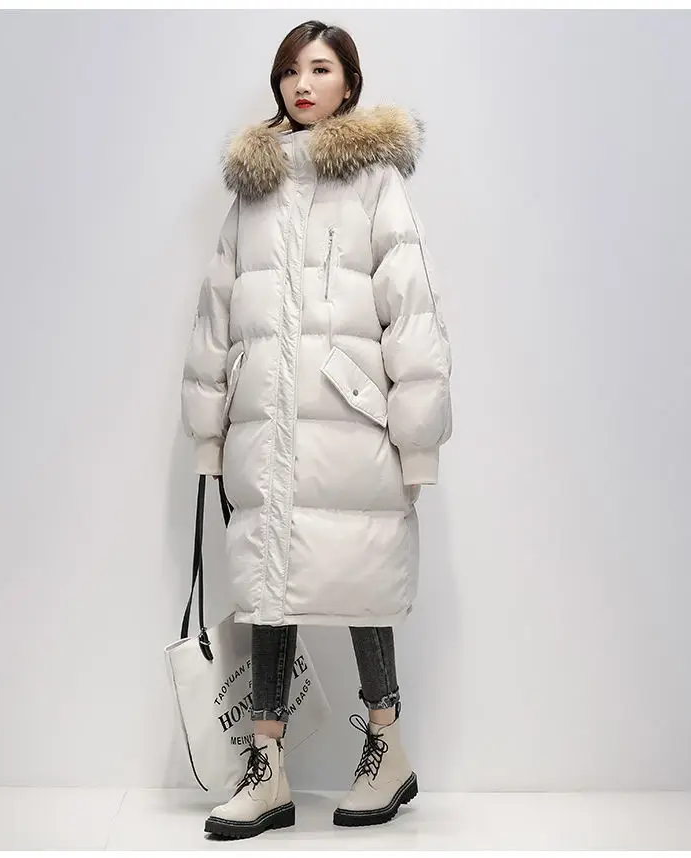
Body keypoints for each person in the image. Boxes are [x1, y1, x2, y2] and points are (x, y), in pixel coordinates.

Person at [180, 19, 453, 840]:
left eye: (321, 68)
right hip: (264, 429)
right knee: (269, 587)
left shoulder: (374, 181)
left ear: (350, 84)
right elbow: (217, 314)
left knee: (360, 573)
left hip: (352, 426)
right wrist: (208, 432)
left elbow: (412, 308)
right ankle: (266, 765)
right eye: (291, 71)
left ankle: (387, 745)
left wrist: (419, 441)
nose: (302, 84)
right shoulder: (254, 188)